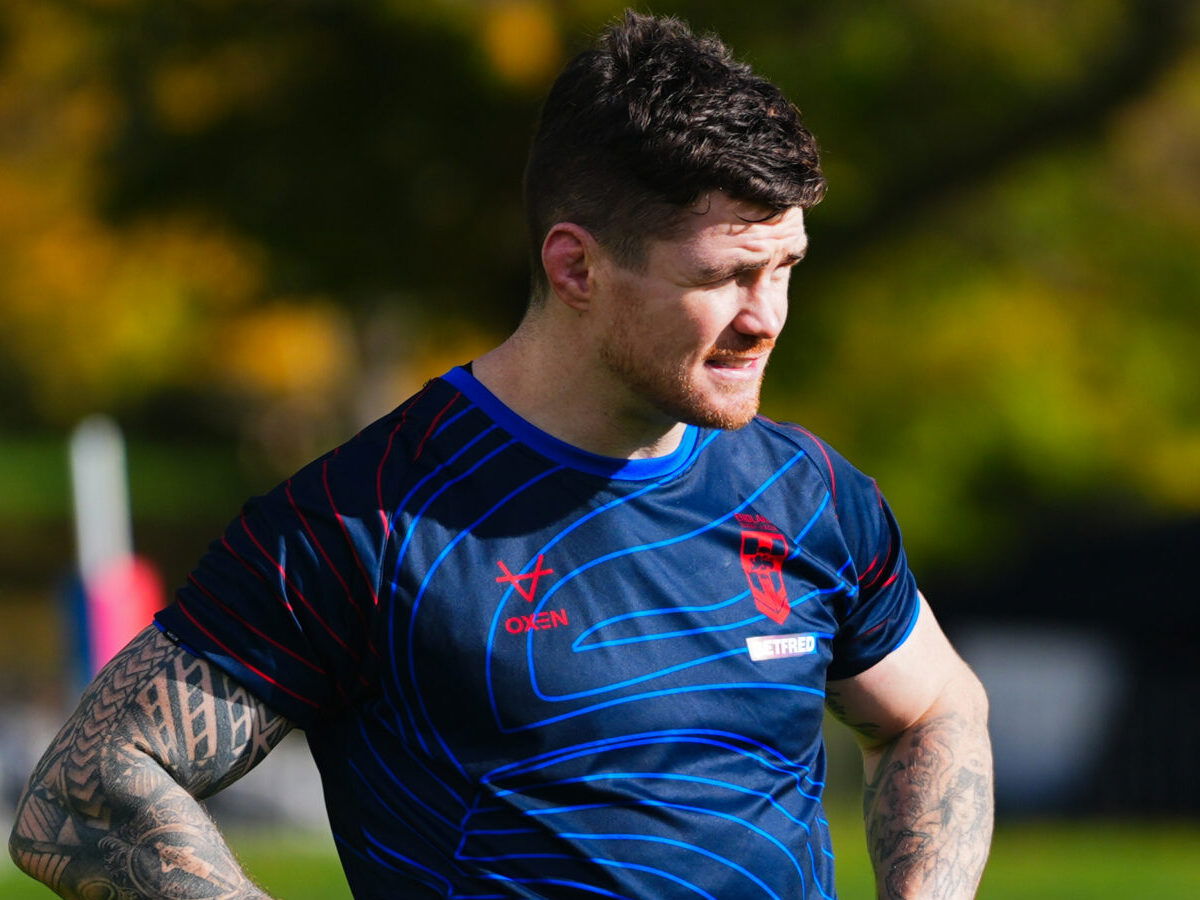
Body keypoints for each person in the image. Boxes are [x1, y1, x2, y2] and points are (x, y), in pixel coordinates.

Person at [10, 10, 992, 899]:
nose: (768, 317)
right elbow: (83, 793)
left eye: (785, 268)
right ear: (575, 266)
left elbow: (936, 709)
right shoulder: (364, 522)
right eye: (727, 276)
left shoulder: (809, 494)